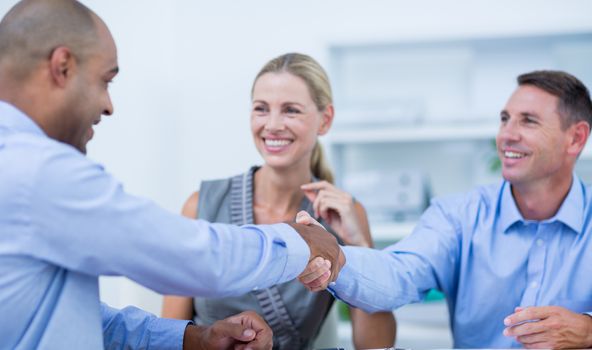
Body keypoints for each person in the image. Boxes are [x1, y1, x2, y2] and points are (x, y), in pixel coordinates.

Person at [0, 1, 339, 349]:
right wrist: (300, 242)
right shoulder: (34, 170)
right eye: (106, 81)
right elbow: (195, 259)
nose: (109, 105)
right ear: (63, 67)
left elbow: (74, 317)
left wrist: (196, 337)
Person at [300, 70, 592, 348]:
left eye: (528, 121)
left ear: (576, 138)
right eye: (505, 119)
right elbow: (399, 273)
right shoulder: (457, 216)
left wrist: (588, 329)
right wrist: (336, 257)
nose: (506, 135)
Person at [161, 53, 396, 350]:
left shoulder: (342, 215)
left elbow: (377, 346)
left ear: (325, 120)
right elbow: (170, 336)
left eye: (291, 111)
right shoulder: (200, 206)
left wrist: (359, 246)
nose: (272, 125)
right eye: (261, 109)